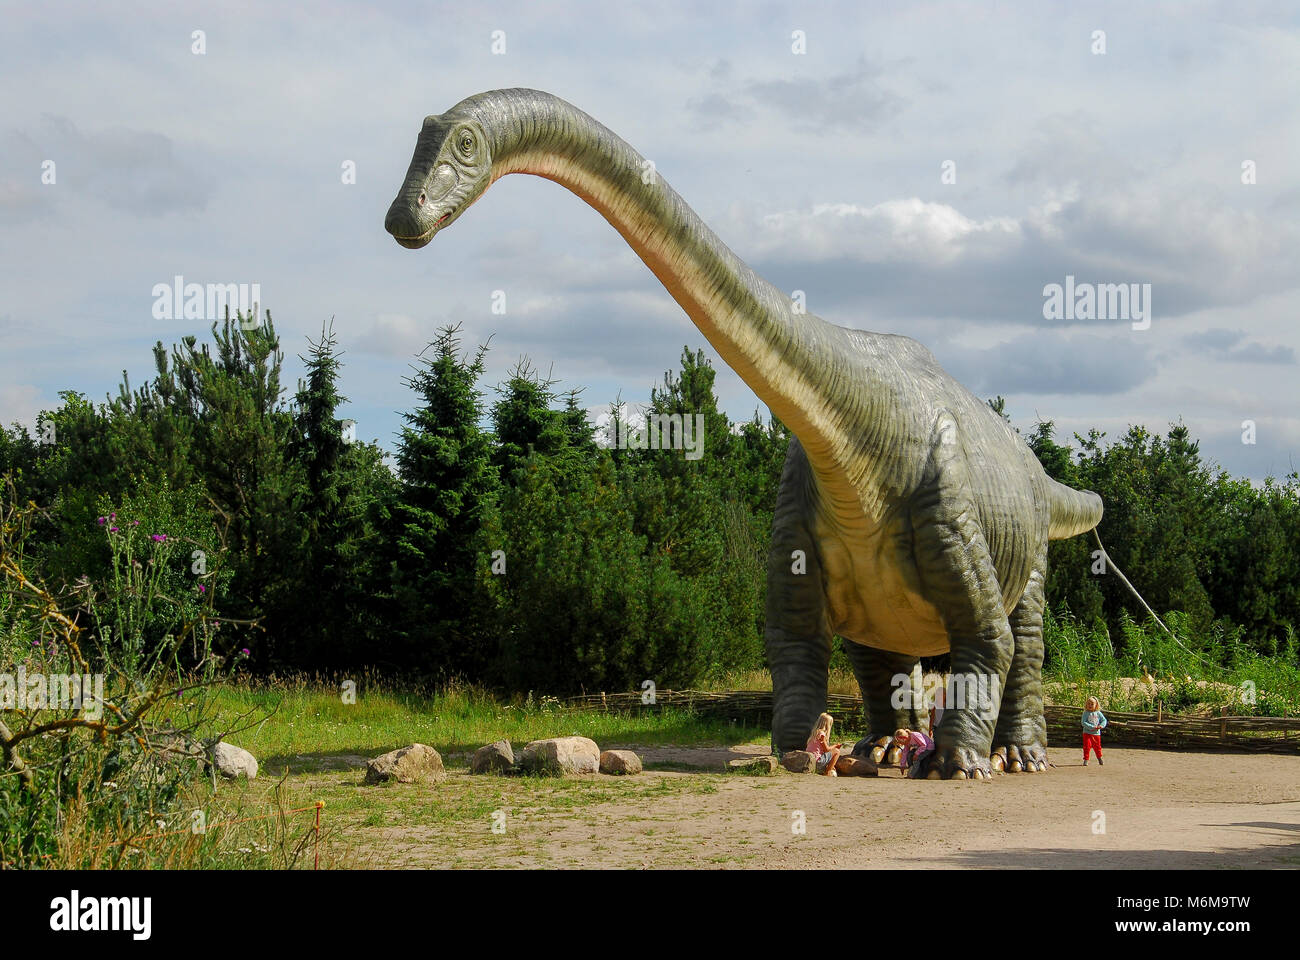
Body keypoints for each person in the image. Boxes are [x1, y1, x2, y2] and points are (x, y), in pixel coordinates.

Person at [1082, 696, 1108, 766]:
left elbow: (1104, 720)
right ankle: (1086, 759)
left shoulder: (1098, 713)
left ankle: (1099, 758)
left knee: (1097, 747)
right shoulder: (1085, 713)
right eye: (1088, 704)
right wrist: (1092, 727)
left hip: (1096, 733)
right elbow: (1083, 722)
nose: (1090, 705)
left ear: (1096, 705)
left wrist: (1101, 726)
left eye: (1092, 704)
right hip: (1087, 733)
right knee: (1087, 746)